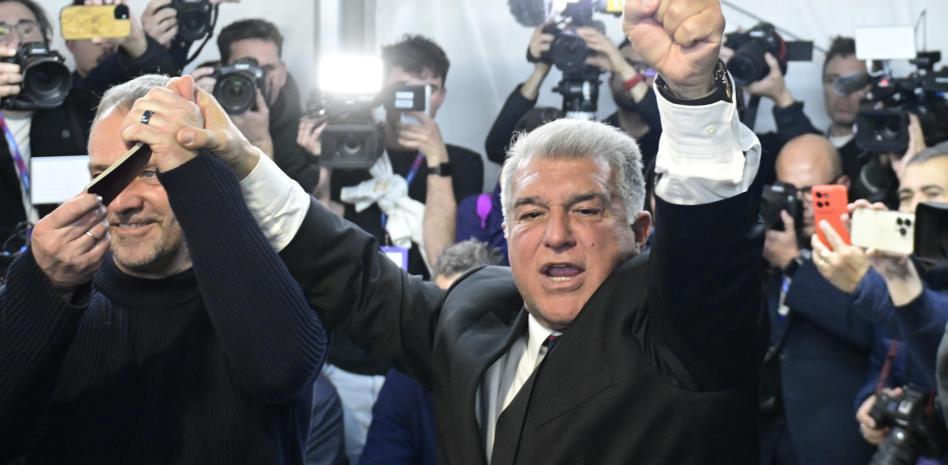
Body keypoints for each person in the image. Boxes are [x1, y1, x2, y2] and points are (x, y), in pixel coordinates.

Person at [176, 1, 767, 463]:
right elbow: (353, 276)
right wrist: (244, 162)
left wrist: (693, 95)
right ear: (505, 228)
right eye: (530, 213)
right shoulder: (474, 315)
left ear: (640, 231)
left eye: (586, 210)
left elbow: (708, 257)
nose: (556, 234)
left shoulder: (685, 333)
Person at [0, 74, 328, 464]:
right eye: (102, 174)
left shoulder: (272, 281)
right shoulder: (59, 297)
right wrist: (39, 286)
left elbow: (280, 374)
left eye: (150, 173)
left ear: (205, 176)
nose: (120, 202)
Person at [299, 34, 484, 464]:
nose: (412, 101)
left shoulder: (462, 163)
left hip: (418, 357)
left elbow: (443, 257)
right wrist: (320, 162)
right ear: (382, 92)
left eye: (426, 89)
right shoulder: (350, 146)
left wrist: (436, 160)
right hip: (347, 350)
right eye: (402, 88)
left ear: (442, 96)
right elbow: (321, 241)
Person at [0, 0, 174, 251]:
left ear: (46, 39)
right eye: (2, 32)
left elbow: (155, 88)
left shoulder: (76, 96)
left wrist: (136, 41)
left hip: (89, 250)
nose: (15, 41)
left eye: (27, 29)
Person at [811, 142, 948, 454]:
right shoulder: (904, 266)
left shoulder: (900, 281)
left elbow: (941, 340)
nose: (913, 207)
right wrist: (872, 397)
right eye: (906, 196)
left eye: (932, 192)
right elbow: (883, 358)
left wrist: (873, 285)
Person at [758, 134, 875, 465]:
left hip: (836, 439)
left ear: (843, 185)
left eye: (812, 191)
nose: (802, 203)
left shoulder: (867, 247)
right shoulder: (767, 244)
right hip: (770, 439)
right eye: (789, 191)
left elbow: (867, 328)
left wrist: (793, 264)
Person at [360, 240, 502, 465]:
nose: (448, 326)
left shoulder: (522, 373)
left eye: (463, 313)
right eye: (438, 311)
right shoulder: (405, 380)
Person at [484, 25, 661, 172]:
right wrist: (540, 71)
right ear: (610, 78)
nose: (638, 75)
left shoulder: (668, 137)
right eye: (629, 65)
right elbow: (497, 149)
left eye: (648, 69)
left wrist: (624, 69)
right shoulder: (597, 138)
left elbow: (663, 123)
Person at [194, 18, 319, 193]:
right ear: (223, 72)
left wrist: (260, 142)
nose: (259, 77)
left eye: (268, 69)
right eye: (246, 69)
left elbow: (285, 206)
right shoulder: (204, 109)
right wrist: (192, 111)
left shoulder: (301, 136)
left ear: (282, 74)